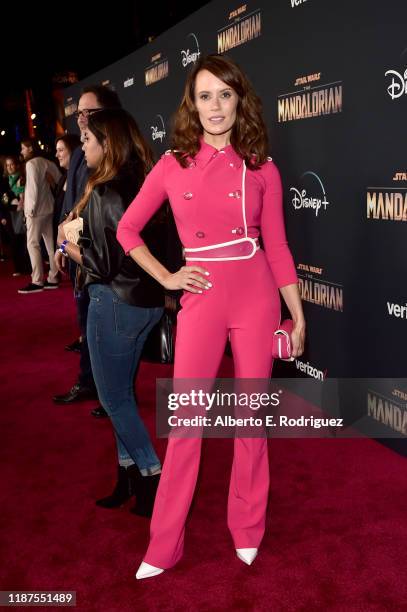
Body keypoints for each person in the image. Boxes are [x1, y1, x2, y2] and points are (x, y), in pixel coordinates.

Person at [117, 54, 306, 578]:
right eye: (205, 96)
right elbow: (127, 230)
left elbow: (279, 247)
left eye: (224, 94)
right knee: (187, 424)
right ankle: (163, 544)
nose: (216, 107)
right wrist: (169, 277)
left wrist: (297, 314)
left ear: (239, 99)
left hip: (257, 298)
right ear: (191, 105)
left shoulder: (261, 165)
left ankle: (247, 528)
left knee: (250, 420)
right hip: (201, 300)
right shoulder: (172, 164)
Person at [55, 108, 165, 516]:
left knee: (113, 398)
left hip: (115, 304)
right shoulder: (145, 180)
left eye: (87, 141)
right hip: (146, 304)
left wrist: (66, 245)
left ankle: (152, 475)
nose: (83, 148)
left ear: (107, 142)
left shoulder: (107, 190)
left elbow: (101, 264)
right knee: (122, 395)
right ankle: (129, 477)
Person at [53, 85, 123, 418]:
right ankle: (91, 383)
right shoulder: (81, 149)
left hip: (98, 255)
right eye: (78, 111)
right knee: (87, 325)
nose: (79, 117)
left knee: (104, 330)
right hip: (77, 249)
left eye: (87, 111)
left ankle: (114, 395)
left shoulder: (110, 150)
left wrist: (71, 241)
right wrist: (62, 238)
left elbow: (99, 207)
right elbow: (76, 202)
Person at [18, 139, 61, 293]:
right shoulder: (47, 162)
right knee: (50, 246)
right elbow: (59, 180)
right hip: (49, 209)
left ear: (30, 148)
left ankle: (37, 281)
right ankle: (53, 277)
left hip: (35, 211)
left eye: (23, 148)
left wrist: (29, 210)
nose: (22, 152)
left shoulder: (31, 164)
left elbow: (32, 189)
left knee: (33, 244)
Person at [0, 156, 30, 275]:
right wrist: (2, 216)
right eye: (7, 165)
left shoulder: (23, 177)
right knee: (13, 241)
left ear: (17, 165)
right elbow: (2, 200)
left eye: (12, 164)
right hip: (9, 213)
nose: (10, 167)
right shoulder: (3, 181)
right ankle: (18, 268)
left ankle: (28, 266)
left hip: (23, 212)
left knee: (24, 240)